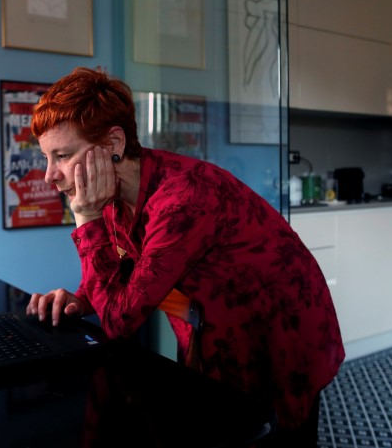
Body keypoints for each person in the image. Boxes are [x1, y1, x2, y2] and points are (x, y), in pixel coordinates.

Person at [26, 66, 345, 445]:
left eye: (61, 155)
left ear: (113, 144)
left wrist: (85, 219)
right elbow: (126, 266)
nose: (50, 176)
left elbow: (119, 322)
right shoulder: (117, 191)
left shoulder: (182, 199)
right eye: (48, 157)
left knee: (278, 435)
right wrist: (80, 299)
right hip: (213, 328)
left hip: (280, 333)